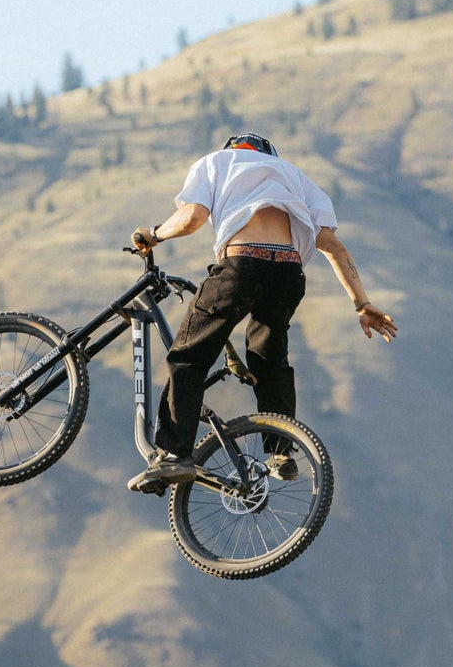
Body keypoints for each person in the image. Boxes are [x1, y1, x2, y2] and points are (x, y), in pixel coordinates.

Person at [127, 131, 397, 494]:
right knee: (269, 360)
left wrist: (153, 234)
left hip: (242, 265)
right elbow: (333, 245)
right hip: (287, 272)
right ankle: (281, 452)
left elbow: (192, 217)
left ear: (233, 150)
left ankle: (174, 453)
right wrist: (362, 304)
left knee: (189, 357)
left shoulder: (216, 162)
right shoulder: (294, 175)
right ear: (269, 154)